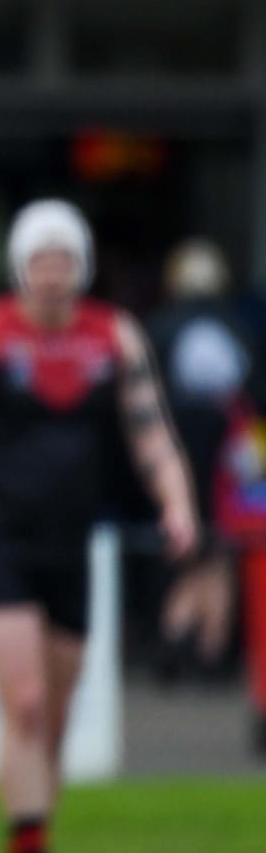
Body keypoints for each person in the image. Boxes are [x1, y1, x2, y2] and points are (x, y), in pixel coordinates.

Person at [0, 199, 197, 853]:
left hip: (72, 543)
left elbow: (150, 430)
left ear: (83, 267)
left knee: (55, 717)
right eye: (41, 260)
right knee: (26, 701)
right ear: (19, 267)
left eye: (65, 260)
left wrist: (178, 501)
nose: (53, 274)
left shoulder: (112, 339)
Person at [146, 239, 252, 670]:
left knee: (191, 552)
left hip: (179, 461)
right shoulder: (241, 328)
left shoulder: (157, 328)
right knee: (222, 554)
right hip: (231, 464)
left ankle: (180, 637)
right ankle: (209, 647)